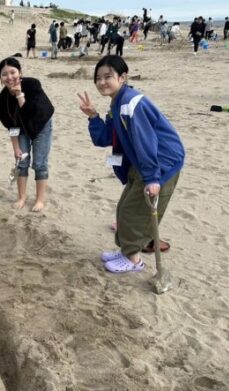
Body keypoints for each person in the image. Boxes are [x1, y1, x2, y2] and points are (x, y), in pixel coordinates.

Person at [77, 55, 185, 273]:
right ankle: (127, 251)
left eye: (108, 76)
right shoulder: (117, 103)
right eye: (98, 78)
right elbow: (104, 138)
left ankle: (134, 260)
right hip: (142, 162)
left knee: (135, 212)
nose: (102, 82)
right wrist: (93, 117)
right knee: (124, 207)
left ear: (122, 77)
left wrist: (153, 178)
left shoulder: (130, 103)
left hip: (161, 162)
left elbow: (146, 142)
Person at [0, 58, 54, 212]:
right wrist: (16, 148)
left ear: (20, 73)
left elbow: (32, 115)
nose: (9, 77)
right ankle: (21, 197)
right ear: (0, 78)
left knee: (40, 163)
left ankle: (39, 200)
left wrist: (19, 94)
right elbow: (11, 125)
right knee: (21, 162)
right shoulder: (2, 99)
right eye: (4, 74)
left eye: (13, 72)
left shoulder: (33, 85)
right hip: (21, 129)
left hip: (41, 125)